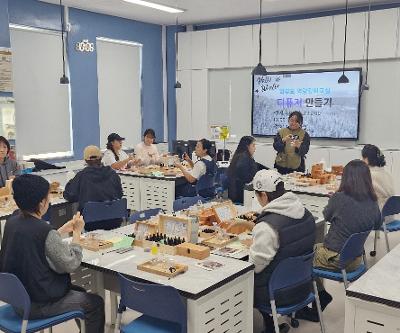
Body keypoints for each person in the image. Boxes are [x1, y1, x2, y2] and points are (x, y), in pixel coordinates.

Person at [0, 174, 105, 333]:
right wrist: (77, 233)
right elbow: (71, 263)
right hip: (38, 303)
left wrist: (60, 231)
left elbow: (37, 241)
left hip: (18, 298)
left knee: (81, 292)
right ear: (42, 202)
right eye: (48, 196)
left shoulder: (13, 221)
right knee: (95, 303)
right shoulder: (43, 230)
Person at [305, 160, 381, 320]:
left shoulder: (339, 198)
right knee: (313, 248)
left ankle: (318, 295)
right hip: (355, 258)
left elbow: (325, 216)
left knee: (300, 256)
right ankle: (319, 294)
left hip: (336, 258)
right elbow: (377, 223)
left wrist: (335, 201)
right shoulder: (373, 201)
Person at [250, 169, 316, 333]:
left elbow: (255, 267)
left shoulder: (267, 227)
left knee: (236, 280)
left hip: (278, 293)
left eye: (257, 196)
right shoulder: (305, 213)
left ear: (264, 195)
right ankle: (270, 323)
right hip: (304, 285)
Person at [64, 145, 124, 231]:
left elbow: (70, 196)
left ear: (85, 160)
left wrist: (70, 183)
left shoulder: (82, 176)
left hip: (92, 223)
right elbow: (119, 194)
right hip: (114, 220)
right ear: (101, 158)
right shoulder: (113, 173)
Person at [362, 144, 394, 211]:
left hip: (375, 215)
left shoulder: (367, 175)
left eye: (362, 158)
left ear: (366, 159)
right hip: (389, 215)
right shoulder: (387, 174)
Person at [227, 136, 259, 204]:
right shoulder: (244, 158)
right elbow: (246, 178)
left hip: (236, 191)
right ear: (247, 146)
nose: (255, 148)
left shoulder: (240, 155)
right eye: (253, 145)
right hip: (241, 193)